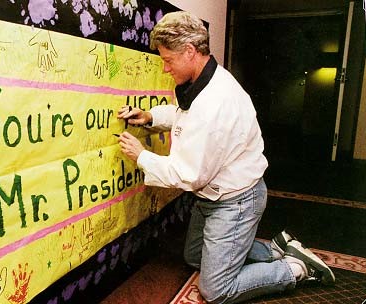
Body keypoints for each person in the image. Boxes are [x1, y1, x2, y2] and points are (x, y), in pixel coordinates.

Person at [116, 11, 335, 304]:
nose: (165, 68)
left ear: (190, 51)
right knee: (195, 257)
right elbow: (185, 116)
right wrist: (151, 116)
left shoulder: (215, 103)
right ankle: (276, 249)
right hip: (213, 197)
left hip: (236, 200)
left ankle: (294, 269)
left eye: (168, 60)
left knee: (216, 290)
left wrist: (142, 156)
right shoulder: (205, 80)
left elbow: (189, 174)